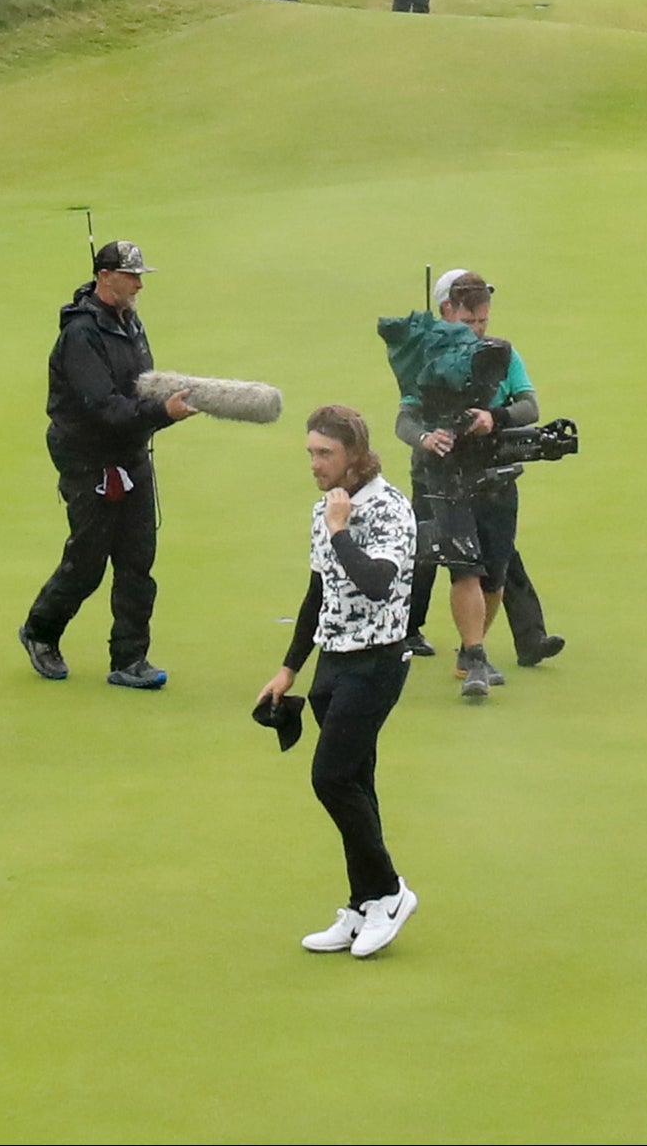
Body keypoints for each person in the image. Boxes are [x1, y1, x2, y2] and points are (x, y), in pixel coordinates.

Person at [258, 402, 422, 958]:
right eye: (310, 453)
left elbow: (378, 583)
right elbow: (317, 593)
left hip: (378, 663)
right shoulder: (324, 510)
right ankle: (363, 905)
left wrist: (341, 530)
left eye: (325, 453)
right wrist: (288, 668)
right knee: (357, 782)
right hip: (333, 661)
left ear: (354, 454)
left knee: (330, 778)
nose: (315, 464)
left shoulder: (390, 509)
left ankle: (391, 893)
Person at [20, 240, 198, 689]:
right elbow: (103, 407)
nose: (138, 284)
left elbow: (141, 388)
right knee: (87, 562)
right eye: (131, 275)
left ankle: (129, 659)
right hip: (88, 460)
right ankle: (40, 631)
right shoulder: (81, 335)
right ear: (105, 277)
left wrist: (166, 406)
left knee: (138, 560)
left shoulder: (130, 322)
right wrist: (161, 413)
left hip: (130, 454)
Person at [394, 268, 562, 695]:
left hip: (493, 473)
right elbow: (405, 419)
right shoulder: (427, 358)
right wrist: (427, 438)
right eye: (470, 322)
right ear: (448, 311)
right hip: (440, 474)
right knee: (448, 560)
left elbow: (529, 405)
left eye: (483, 322)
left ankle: (481, 648)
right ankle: (446, 644)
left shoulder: (500, 354)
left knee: (496, 566)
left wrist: (495, 418)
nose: (478, 331)